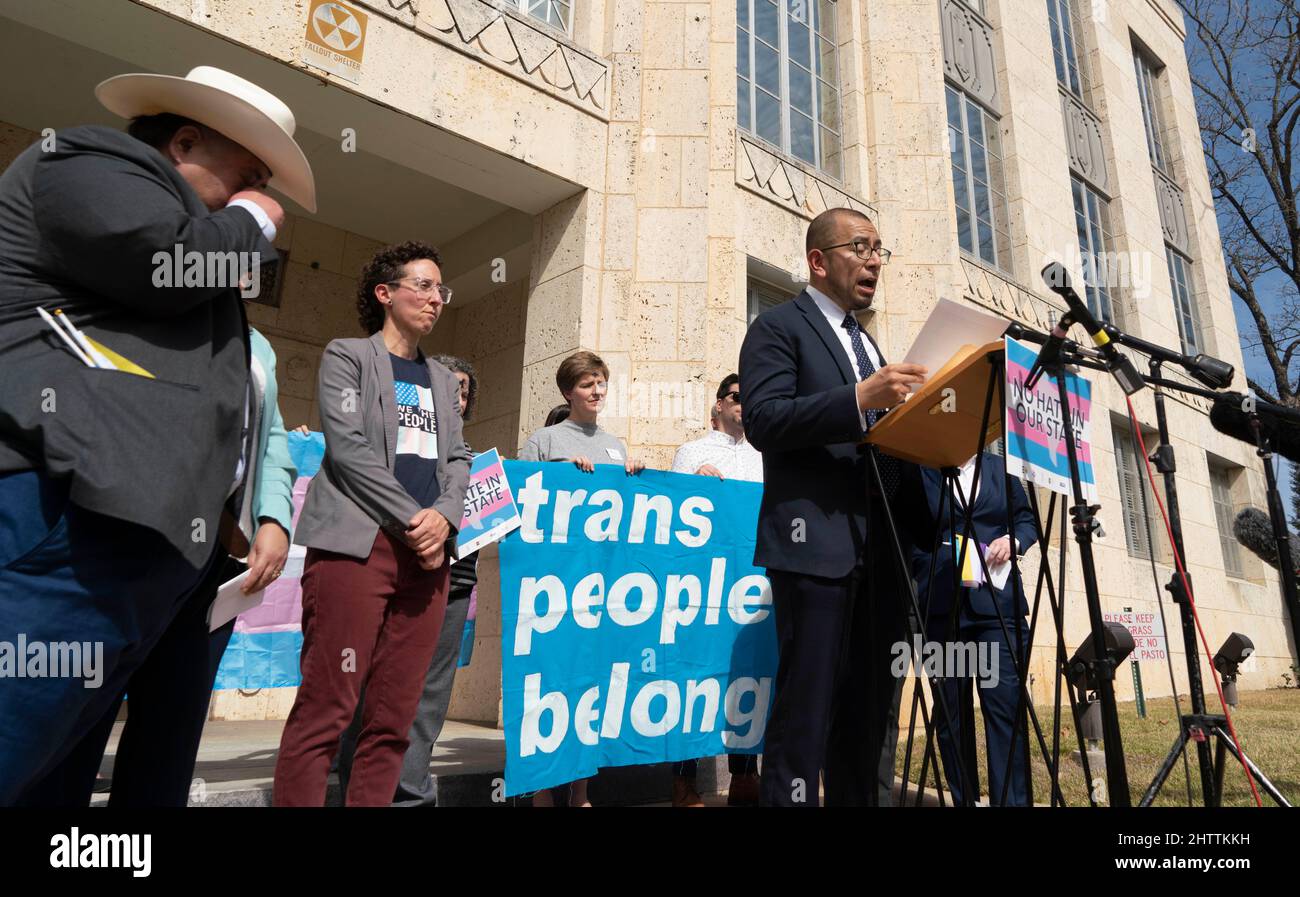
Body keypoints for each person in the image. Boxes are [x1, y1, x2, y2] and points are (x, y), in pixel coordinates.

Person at [0, 65, 314, 805]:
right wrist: (254, 220)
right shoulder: (84, 160)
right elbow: (161, 259)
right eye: (246, 175)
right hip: (67, 522)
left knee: (52, 767)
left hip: (138, 550)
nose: (258, 192)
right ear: (181, 141)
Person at [18, 322, 297, 807]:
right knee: (77, 721)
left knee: (171, 733)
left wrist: (273, 518)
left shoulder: (259, 346)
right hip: (124, 541)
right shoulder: (141, 301)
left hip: (213, 559)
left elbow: (271, 443)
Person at [739, 207, 931, 807]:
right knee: (807, 710)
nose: (874, 259)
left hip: (882, 554)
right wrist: (858, 397)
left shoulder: (869, 343)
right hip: (815, 549)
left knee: (869, 715)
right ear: (818, 261)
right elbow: (765, 420)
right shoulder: (778, 328)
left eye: (879, 248)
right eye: (859, 246)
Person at [272, 241, 470, 806]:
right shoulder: (347, 356)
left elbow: (458, 459)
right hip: (359, 546)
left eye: (441, 289)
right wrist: (416, 517)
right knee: (328, 707)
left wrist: (444, 518)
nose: (436, 298)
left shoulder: (439, 377)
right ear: (386, 293)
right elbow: (350, 448)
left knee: (394, 717)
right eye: (424, 286)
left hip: (428, 558)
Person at [336, 354, 481, 806]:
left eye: (463, 391)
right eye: (447, 386)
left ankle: (411, 798)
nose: (455, 397)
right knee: (369, 695)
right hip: (389, 575)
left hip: (453, 582)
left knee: (428, 702)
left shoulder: (476, 461)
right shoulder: (385, 443)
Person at [519, 350, 644, 807]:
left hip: (603, 585)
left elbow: (631, 514)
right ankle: (541, 791)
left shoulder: (615, 445)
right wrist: (557, 476)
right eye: (588, 384)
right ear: (569, 391)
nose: (597, 392)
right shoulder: (544, 440)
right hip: (553, 584)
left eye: (602, 383)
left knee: (589, 685)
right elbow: (521, 498)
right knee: (548, 682)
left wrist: (632, 478)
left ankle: (580, 791)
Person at [911, 451, 1037, 806]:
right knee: (952, 717)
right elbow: (910, 530)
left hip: (997, 607)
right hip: (942, 606)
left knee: (1005, 710)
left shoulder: (1002, 468)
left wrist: (1013, 541)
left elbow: (1027, 521)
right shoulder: (922, 467)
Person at [668, 373, 763, 806]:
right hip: (703, 589)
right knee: (695, 677)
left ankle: (745, 773)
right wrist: (694, 485)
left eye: (751, 399)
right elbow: (668, 513)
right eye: (738, 398)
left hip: (751, 586)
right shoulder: (692, 452)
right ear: (719, 404)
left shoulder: (764, 456)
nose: (745, 405)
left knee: (748, 672)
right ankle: (685, 781)